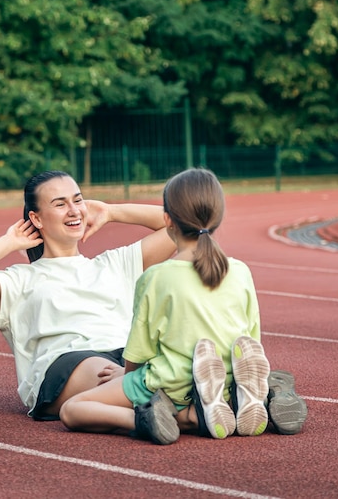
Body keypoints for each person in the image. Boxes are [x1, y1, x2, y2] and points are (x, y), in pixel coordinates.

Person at [59, 168, 307, 444]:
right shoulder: (240, 271)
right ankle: (248, 398)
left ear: (167, 219)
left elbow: (142, 347)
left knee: (73, 410)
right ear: (217, 217)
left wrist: (125, 374)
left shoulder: (157, 277)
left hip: (169, 385)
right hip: (228, 380)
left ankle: (164, 418)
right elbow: (249, 339)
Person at [0, 170, 176, 420]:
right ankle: (163, 393)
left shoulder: (114, 263)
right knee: (109, 370)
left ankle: (163, 405)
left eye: (77, 200)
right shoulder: (19, 280)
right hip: (68, 364)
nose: (74, 210)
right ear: (36, 218)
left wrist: (112, 212)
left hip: (128, 357)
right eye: (60, 204)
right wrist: (10, 241)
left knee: (158, 354)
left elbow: (184, 225)